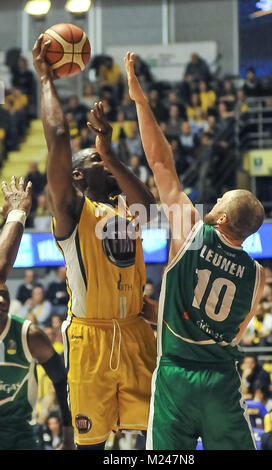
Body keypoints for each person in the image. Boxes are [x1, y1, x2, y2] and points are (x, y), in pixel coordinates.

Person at [124, 51, 266, 450]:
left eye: (220, 200)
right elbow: (231, 334)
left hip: (176, 378)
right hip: (221, 380)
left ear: (221, 219)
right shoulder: (258, 276)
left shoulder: (189, 228)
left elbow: (160, 163)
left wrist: (140, 99)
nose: (214, 200)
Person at [32, 36, 157, 450]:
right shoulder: (72, 211)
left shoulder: (128, 209)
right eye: (96, 161)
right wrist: (46, 80)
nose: (104, 163)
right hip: (90, 340)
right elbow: (58, 139)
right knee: (92, 444)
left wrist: (108, 149)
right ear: (80, 177)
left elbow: (150, 206)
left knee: (155, 438)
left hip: (136, 332)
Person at [0, 176, 74, 450]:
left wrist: (68, 436)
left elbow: (61, 380)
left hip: (19, 437)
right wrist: (17, 214)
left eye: (5, 294)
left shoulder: (28, 335)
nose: (0, 298)